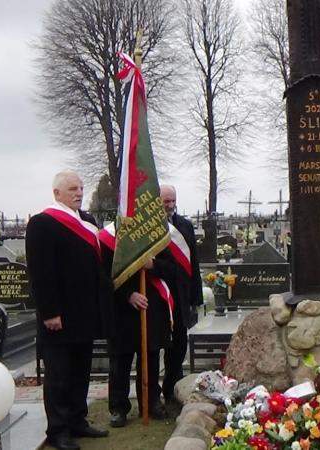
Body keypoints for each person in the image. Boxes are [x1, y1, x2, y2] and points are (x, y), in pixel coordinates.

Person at [26, 171, 110, 450]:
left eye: (81, 188)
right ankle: (58, 429)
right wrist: (49, 312)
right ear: (57, 193)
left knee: (80, 372)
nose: (79, 193)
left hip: (85, 313)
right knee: (59, 376)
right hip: (58, 315)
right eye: (73, 188)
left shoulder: (87, 221)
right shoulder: (42, 223)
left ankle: (77, 420)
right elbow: (41, 272)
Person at [101, 224, 172, 427]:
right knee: (119, 362)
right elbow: (104, 275)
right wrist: (128, 295)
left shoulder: (155, 233)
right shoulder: (109, 237)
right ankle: (118, 407)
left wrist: (152, 265)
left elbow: (172, 269)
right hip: (121, 309)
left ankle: (150, 402)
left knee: (150, 358)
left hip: (150, 307)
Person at [158, 185, 203, 408]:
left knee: (178, 346)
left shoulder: (184, 225)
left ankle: (172, 390)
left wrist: (196, 297)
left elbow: (193, 262)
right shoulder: (150, 227)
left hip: (181, 294)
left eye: (172, 201)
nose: (170, 205)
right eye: (165, 201)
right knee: (159, 346)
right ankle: (154, 396)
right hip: (159, 295)